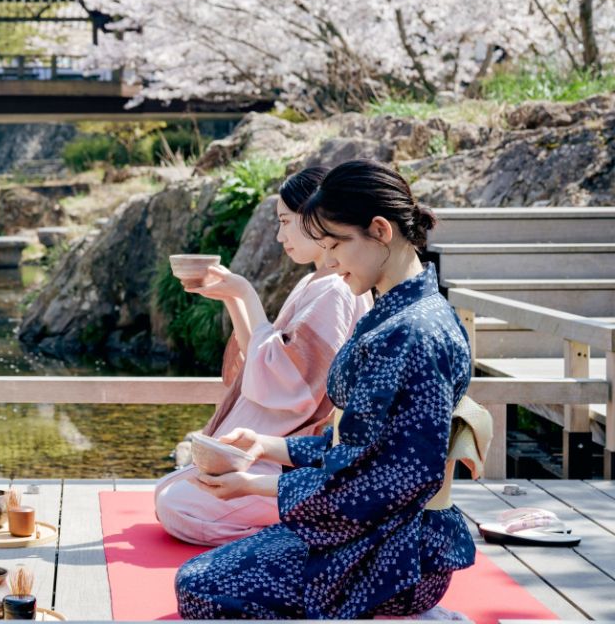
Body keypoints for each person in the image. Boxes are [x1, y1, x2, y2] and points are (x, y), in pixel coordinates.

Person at [174, 159, 476, 620]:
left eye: (335, 245)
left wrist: (255, 486)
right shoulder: (409, 313)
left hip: (392, 556)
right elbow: (356, 446)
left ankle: (392, 613)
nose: (329, 261)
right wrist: (266, 445)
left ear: (380, 230)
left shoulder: (411, 332)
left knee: (200, 589)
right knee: (200, 574)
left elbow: (388, 479)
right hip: (373, 532)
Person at [154, 166, 371, 546]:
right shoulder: (313, 282)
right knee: (168, 490)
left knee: (177, 505)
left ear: (318, 218)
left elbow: (285, 382)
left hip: (294, 454)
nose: (280, 236)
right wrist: (233, 299)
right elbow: (261, 359)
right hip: (275, 447)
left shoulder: (337, 291)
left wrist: (247, 294)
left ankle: (301, 531)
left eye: (286, 222)